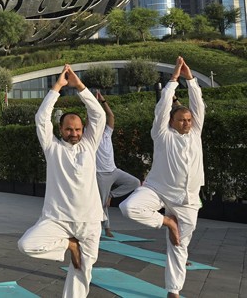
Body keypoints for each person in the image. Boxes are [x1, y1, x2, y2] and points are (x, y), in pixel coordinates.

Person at [17, 65, 105, 297]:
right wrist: (57, 87)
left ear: (83, 130)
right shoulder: (52, 147)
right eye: (69, 129)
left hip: (90, 220)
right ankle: (69, 245)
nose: (74, 133)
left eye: (77, 129)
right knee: (27, 245)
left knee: (82, 272)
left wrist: (80, 87)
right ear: (61, 129)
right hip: (57, 219)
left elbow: (99, 115)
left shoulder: (89, 145)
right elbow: (41, 118)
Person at [119, 57, 204, 298]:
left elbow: (199, 105)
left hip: (188, 199)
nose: (187, 123)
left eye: (188, 120)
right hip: (157, 190)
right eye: (182, 120)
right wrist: (174, 80)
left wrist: (192, 79)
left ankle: (173, 291)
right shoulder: (161, 133)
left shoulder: (196, 132)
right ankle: (168, 223)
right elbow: (162, 108)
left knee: (179, 246)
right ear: (171, 121)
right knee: (129, 207)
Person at [94, 90, 140, 238]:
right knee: (101, 204)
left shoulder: (107, 133)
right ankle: (105, 228)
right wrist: (93, 103)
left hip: (114, 171)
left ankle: (111, 196)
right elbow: (89, 120)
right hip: (100, 174)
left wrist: (103, 101)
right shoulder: (91, 136)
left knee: (135, 182)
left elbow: (111, 116)